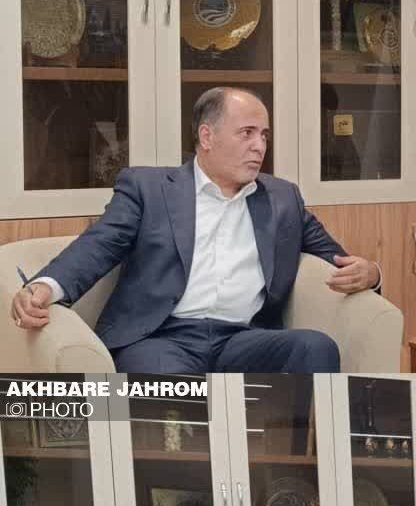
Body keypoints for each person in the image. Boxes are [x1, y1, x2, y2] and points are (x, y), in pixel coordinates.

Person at [9, 87, 381, 373]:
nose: (259, 146)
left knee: (316, 348)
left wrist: (371, 273)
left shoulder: (283, 198)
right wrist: (46, 286)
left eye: (264, 135)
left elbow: (339, 259)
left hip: (243, 337)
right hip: (161, 338)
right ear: (207, 137)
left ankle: (295, 453)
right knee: (169, 384)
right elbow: (99, 244)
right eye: (247, 133)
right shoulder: (149, 188)